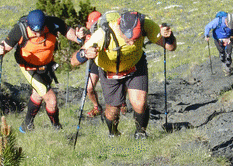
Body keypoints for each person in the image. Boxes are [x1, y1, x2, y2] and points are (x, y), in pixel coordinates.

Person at [73, 10, 176, 139]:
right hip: (109, 72)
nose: (132, 43)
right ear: (119, 28)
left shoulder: (146, 24)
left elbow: (171, 47)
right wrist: (85, 54)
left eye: (136, 38)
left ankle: (140, 133)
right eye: (129, 38)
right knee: (112, 112)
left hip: (135, 67)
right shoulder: (102, 34)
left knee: (140, 103)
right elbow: (73, 61)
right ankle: (113, 133)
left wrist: (169, 36)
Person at [0, 9, 84, 133]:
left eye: (40, 30)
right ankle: (57, 128)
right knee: (51, 100)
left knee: (37, 95)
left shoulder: (53, 23)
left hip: (47, 66)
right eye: (34, 31)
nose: (37, 34)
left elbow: (67, 31)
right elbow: (5, 46)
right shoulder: (20, 30)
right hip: (29, 69)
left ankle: (26, 126)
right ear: (29, 26)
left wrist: (78, 38)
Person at [71, 10, 104, 118]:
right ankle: (97, 107)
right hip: (95, 62)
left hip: (109, 61)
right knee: (89, 88)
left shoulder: (106, 31)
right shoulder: (89, 34)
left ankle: (121, 104)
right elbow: (84, 45)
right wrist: (80, 38)